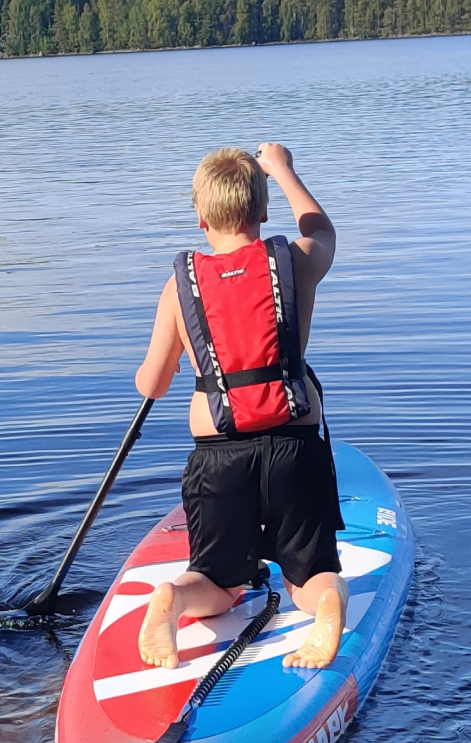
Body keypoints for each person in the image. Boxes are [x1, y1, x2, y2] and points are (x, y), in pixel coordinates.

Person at [134, 143, 345, 672]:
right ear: (264, 210)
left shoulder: (177, 290)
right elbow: (324, 232)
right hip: (295, 448)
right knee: (305, 578)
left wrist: (169, 365)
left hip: (219, 456)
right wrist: (284, 170)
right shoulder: (296, 263)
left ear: (201, 217)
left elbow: (153, 384)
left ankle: (174, 599)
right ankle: (328, 601)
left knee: (220, 584)